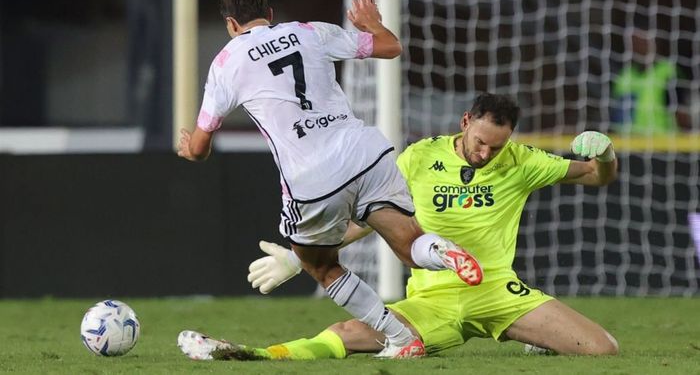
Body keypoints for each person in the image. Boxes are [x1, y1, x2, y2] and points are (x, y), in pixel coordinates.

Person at [177, 93, 620, 361]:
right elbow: (370, 220)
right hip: (432, 300)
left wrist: (605, 156)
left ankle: (533, 336)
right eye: (481, 142)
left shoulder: (523, 161)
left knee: (603, 349)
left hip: (498, 291)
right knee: (346, 336)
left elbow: (597, 176)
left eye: (496, 147)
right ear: (465, 123)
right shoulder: (418, 158)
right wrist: (299, 258)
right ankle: (257, 354)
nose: (486, 154)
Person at [175, 0, 483, 359]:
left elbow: (202, 145)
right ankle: (443, 251)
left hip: (312, 178)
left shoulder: (226, 62)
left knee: (318, 265)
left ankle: (400, 338)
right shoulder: (310, 31)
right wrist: (372, 24)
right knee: (409, 245)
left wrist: (190, 149)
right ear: (269, 14)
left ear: (231, 25)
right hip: (365, 152)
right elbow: (390, 47)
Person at [612, 27, 690, 133]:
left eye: (642, 42)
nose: (638, 47)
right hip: (629, 145)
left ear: (654, 44)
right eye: (634, 43)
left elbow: (681, 114)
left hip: (662, 145)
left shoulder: (667, 73)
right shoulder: (624, 76)